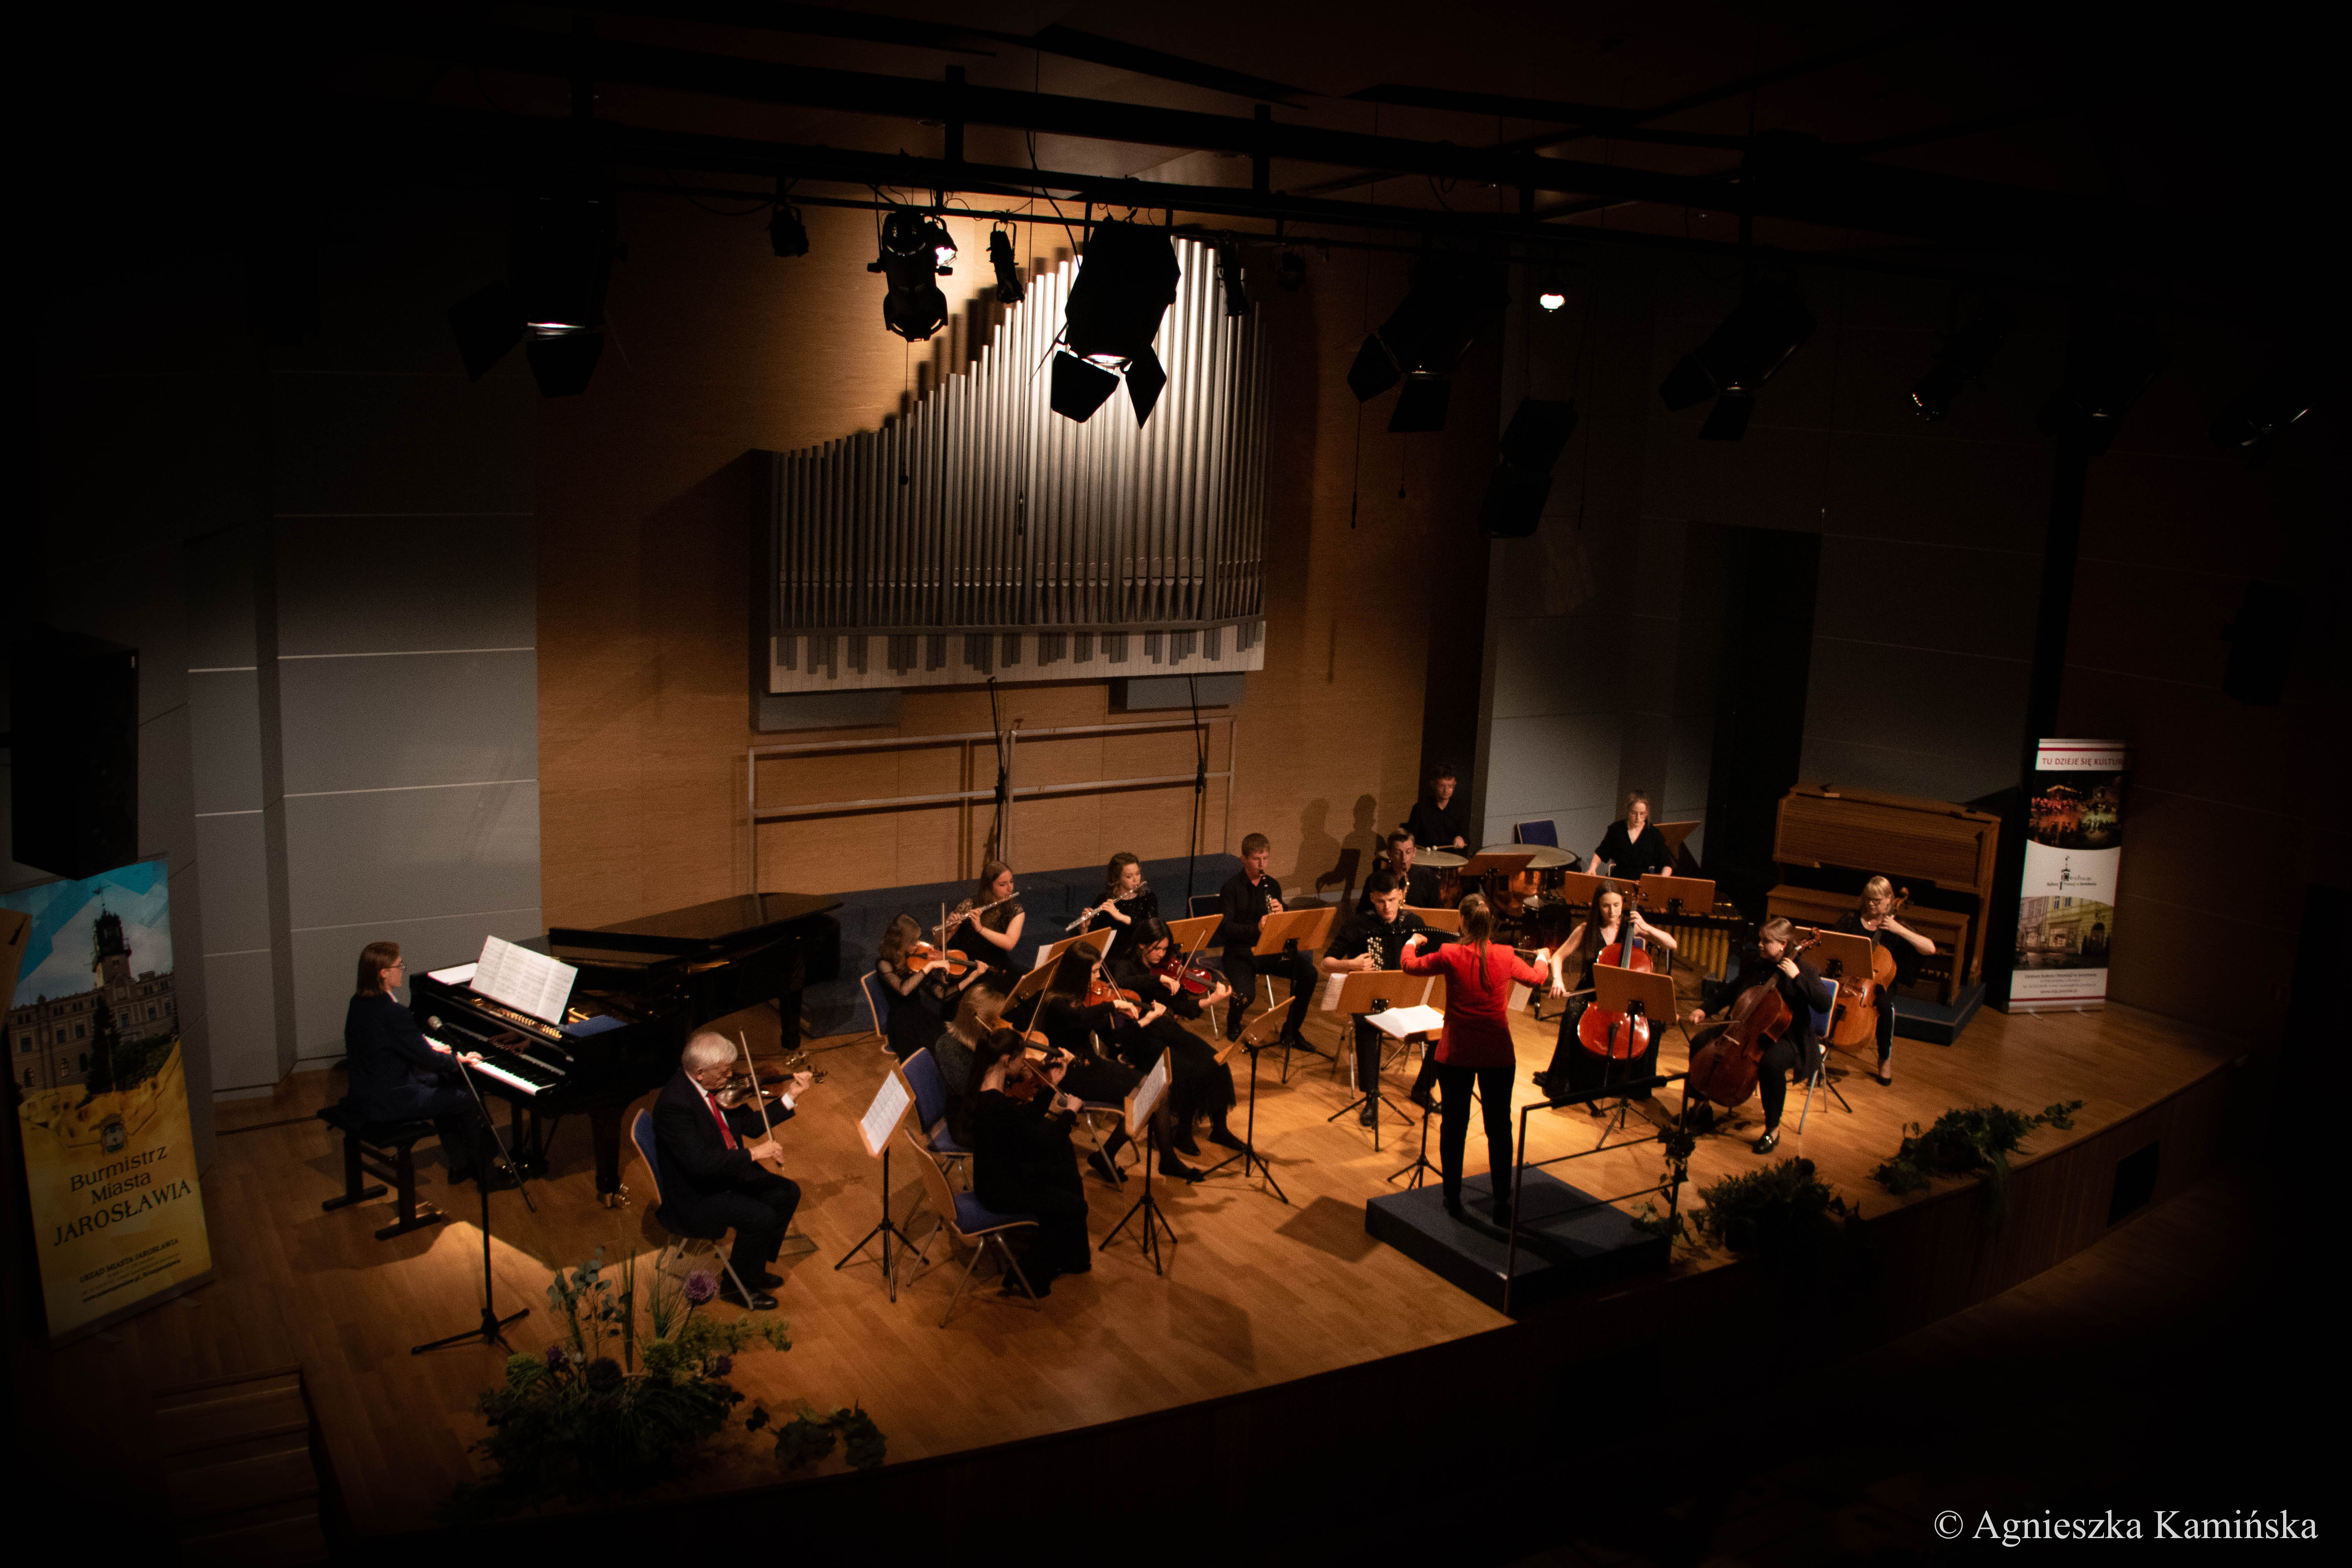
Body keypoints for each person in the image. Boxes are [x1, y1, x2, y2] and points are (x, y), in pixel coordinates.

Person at [1399, 894, 1548, 1223]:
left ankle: (1452, 1197)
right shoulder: (1506, 954)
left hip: (1457, 1053)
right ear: (1489, 923)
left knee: (1454, 1126)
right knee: (1499, 1127)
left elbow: (1409, 966)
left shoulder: (1450, 953)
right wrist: (1543, 957)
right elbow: (1538, 978)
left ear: (1463, 922)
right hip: (1497, 1053)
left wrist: (1412, 941)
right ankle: (1502, 1202)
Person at [650, 1031, 815, 1309]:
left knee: (787, 1192)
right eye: (723, 1071)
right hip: (696, 1193)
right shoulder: (674, 1107)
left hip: (724, 1172)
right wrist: (754, 1153)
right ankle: (738, 1289)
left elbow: (751, 1125)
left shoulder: (717, 1089)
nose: (730, 1076)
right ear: (700, 1073)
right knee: (761, 1216)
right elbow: (700, 1164)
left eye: (729, 1069)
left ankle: (752, 1268)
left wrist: (790, 1096)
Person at [951, 1028, 1093, 1297]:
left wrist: (1048, 1088)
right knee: (1076, 1206)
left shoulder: (984, 1091)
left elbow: (1024, 1121)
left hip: (996, 1176)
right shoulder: (997, 1105)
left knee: (1068, 1178)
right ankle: (1028, 1273)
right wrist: (1070, 1113)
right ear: (1007, 1060)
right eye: (1021, 1058)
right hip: (1003, 1190)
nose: (1025, 1064)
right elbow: (1042, 1142)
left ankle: (1074, 1258)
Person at [343, 941, 492, 1185]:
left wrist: (430, 1049)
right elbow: (429, 1061)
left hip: (366, 1092)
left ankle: (460, 1164)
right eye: (398, 966)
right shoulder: (393, 1013)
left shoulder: (359, 1003)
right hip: (391, 1101)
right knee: (468, 1096)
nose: (402, 969)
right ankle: (486, 1174)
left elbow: (389, 1042)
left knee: (446, 1083)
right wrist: (459, 1059)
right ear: (383, 973)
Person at [1684, 918, 1834, 1156]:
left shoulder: (1805, 970)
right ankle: (1700, 1107)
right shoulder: (1756, 963)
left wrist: (1797, 977)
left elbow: (1824, 1005)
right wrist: (1705, 1009)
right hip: (1746, 1028)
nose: (1760, 945)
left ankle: (1772, 1129)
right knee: (1701, 1042)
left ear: (1784, 945)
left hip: (1787, 1036)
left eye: (1767, 942)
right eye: (1761, 940)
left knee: (1771, 1064)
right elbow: (1731, 990)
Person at [1105, 918, 1243, 1155]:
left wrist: (1211, 1000)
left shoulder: (1167, 967)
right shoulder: (1125, 965)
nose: (1162, 954)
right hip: (1140, 1037)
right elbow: (1121, 983)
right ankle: (1182, 1134)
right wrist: (1158, 978)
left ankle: (1220, 1129)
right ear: (1141, 945)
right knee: (1188, 1071)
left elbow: (1180, 1006)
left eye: (1165, 949)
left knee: (1216, 1060)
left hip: (1166, 1029)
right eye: (1156, 949)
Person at [1534, 885, 1679, 1108]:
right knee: (1573, 1013)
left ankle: (1637, 1084)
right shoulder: (1586, 929)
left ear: (1623, 904)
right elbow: (1559, 956)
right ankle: (1568, 1081)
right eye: (1606, 906)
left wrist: (1646, 927)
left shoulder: (1632, 928)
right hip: (1592, 992)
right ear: (1597, 906)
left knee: (1654, 1023)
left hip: (1624, 995)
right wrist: (1558, 980)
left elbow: (1671, 944)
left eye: (1617, 905)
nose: (1612, 911)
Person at [1030, 946, 1152, 1185]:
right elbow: (1079, 1018)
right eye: (1095, 972)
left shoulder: (1084, 998)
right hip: (1070, 1072)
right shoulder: (1055, 1002)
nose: (1099, 977)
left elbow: (1113, 1039)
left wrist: (1145, 1020)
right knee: (1142, 1098)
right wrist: (1114, 1005)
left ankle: (1108, 1155)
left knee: (1151, 1089)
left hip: (1092, 1065)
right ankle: (1108, 1157)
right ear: (1078, 973)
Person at [1322, 871, 1432, 1126]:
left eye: (1392, 900)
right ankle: (1371, 1095)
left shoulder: (1413, 923)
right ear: (1372, 898)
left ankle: (1422, 1089)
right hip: (1369, 998)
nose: (1387, 908)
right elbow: (1327, 962)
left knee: (1442, 1028)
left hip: (1405, 997)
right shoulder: (1359, 924)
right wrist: (1352, 964)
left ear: (1401, 896)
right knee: (1366, 1026)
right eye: (1381, 901)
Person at [1216, 832, 1318, 1050]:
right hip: (1240, 953)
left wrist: (1283, 912)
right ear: (1244, 859)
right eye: (1257, 859)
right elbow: (1225, 928)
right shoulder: (1231, 888)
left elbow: (1282, 923)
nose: (1262, 865)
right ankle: (1233, 1023)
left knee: (1309, 974)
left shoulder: (1272, 885)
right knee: (1247, 996)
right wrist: (1257, 928)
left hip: (1269, 950)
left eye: (1266, 859)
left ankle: (1291, 1031)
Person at [1833, 876, 1935, 1085]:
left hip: (1879, 983)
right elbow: (1833, 943)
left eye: (1877, 900)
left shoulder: (1897, 925)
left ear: (1890, 899)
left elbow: (1930, 948)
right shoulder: (1852, 919)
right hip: (1848, 977)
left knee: (1885, 1007)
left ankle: (1884, 1059)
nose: (1871, 904)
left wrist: (1899, 930)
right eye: (1868, 899)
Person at [873, 914, 949, 1063]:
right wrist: (930, 966)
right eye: (914, 942)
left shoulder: (915, 959)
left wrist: (943, 978)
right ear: (902, 943)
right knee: (930, 1052)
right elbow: (904, 990)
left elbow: (938, 993)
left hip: (919, 1014)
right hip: (901, 1023)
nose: (919, 944)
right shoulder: (884, 964)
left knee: (945, 1042)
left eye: (918, 939)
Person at [945, 861, 1026, 997]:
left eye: (1011, 882)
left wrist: (980, 929)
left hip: (997, 967)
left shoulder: (1016, 910)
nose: (1010, 889)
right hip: (969, 966)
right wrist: (949, 929)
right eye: (1003, 885)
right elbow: (940, 944)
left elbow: (1010, 943)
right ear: (989, 886)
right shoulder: (969, 905)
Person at [1081, 851, 1161, 961]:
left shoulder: (1148, 898)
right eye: (1129, 876)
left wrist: (1119, 916)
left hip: (1138, 957)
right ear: (1117, 879)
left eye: (1138, 874)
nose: (1136, 879)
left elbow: (1151, 929)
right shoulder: (1105, 900)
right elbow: (1090, 943)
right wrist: (1085, 927)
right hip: (1111, 958)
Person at [1589, 790, 1674, 882]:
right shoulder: (1617, 829)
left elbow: (1667, 865)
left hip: (1642, 884)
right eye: (1634, 813)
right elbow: (1601, 852)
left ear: (1647, 813)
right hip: (1618, 881)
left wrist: (1661, 882)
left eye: (1642, 814)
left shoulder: (1654, 834)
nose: (1638, 818)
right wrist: (1592, 869)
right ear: (1628, 811)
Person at [1360, 828, 1444, 913]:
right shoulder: (1375, 879)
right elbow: (1362, 913)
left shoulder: (1428, 877)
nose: (1404, 857)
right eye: (1398, 853)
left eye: (1408, 852)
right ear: (1389, 854)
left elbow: (1438, 913)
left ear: (1414, 852)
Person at [1404, 766, 1469, 853]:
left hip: (1451, 856)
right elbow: (1411, 837)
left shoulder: (1460, 809)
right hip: (1426, 855)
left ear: (1455, 785)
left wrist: (1461, 838)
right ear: (1433, 784)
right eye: (1442, 786)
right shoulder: (1420, 808)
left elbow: (1464, 833)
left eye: (1450, 786)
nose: (1446, 790)